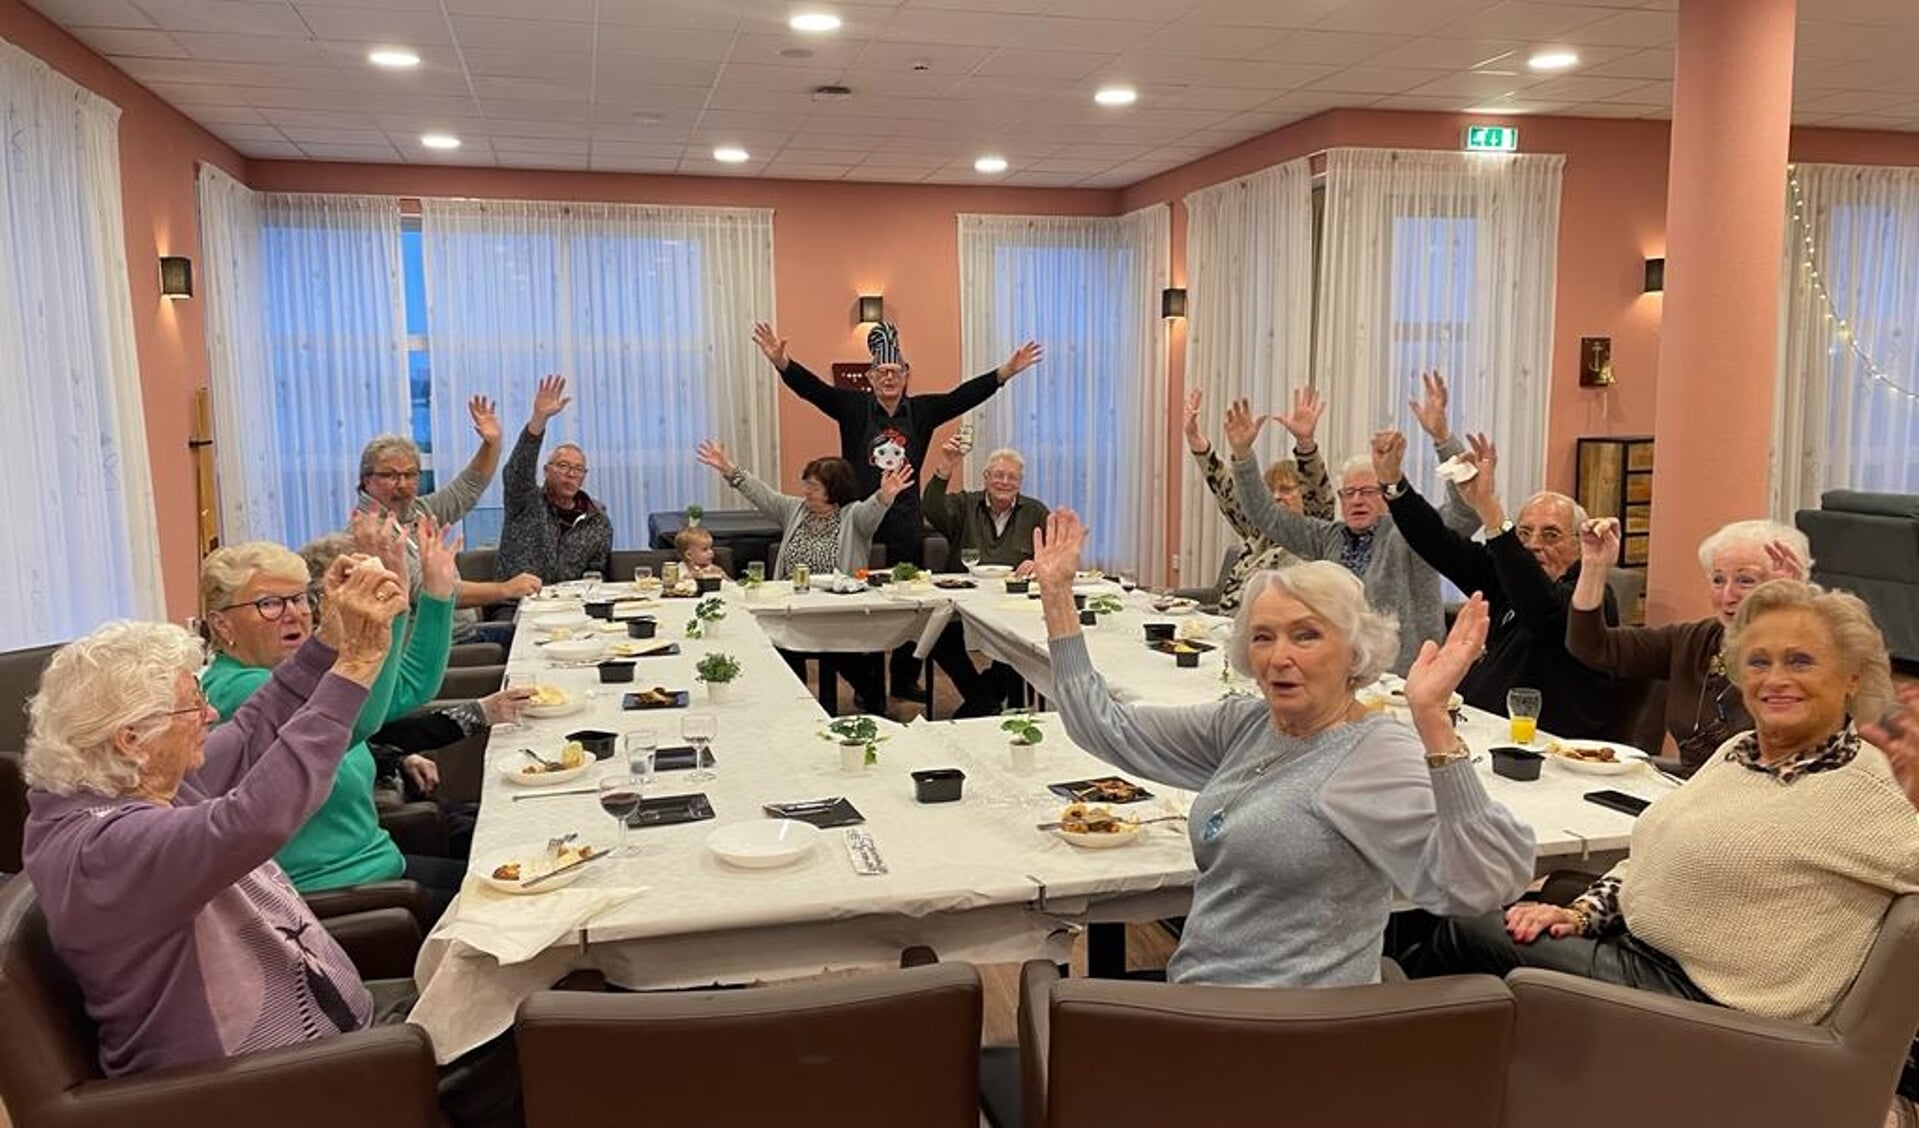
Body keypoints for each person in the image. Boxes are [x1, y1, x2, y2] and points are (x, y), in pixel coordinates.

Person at [20, 567, 526, 1127]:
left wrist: (329, 640)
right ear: (130, 738)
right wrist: (353, 669)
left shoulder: (121, 786)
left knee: (524, 988)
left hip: (328, 1039)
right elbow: (255, 818)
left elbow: (255, 730)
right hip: (263, 1086)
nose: (210, 713)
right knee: (537, 1042)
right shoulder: (105, 850)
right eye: (193, 708)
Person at [1397, 582, 1917, 1056]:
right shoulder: (1743, 752)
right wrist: (1580, 914)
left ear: (1852, 676)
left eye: (1801, 661)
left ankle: (1380, 1058)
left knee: (1465, 930)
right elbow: (1654, 852)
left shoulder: (1863, 792)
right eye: (1758, 663)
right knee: (1484, 915)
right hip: (1641, 956)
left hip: (1713, 1014)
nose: (1775, 680)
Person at [1033, 509, 1534, 986]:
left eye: (1306, 635)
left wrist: (1433, 724)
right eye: (1263, 637)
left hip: (1293, 1032)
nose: (1280, 657)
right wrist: (1057, 596)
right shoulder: (1247, 724)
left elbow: (1485, 883)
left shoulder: (1372, 752)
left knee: (1059, 1016)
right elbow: (1104, 726)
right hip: (1203, 1004)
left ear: (1354, 651)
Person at [752, 319, 1042, 700]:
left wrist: (1005, 372)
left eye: (896, 371)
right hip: (858, 520)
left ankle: (904, 678)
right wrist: (782, 362)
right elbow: (813, 391)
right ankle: (865, 681)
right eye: (882, 372)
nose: (889, 377)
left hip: (905, 519)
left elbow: (962, 397)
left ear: (906, 375)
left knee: (908, 601)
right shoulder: (852, 406)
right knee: (861, 601)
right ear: (869, 377)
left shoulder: (922, 411)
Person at [198, 516, 465, 916]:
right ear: (222, 624)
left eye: (301, 598)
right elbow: (356, 721)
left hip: (380, 866)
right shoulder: (234, 692)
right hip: (335, 896)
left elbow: (406, 686)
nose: (295, 614)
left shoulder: (295, 672)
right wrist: (378, 619)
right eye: (269, 604)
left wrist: (437, 595)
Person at [1377, 428, 1642, 740]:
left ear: (1579, 545)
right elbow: (1440, 545)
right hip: (1478, 730)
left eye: (1551, 535)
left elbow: (1541, 607)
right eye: (1524, 533)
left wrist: (1490, 512)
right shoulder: (1507, 580)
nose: (1533, 545)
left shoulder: (1591, 597)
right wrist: (1393, 483)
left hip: (1549, 751)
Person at [1223, 372, 1476, 673]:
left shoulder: (1411, 534)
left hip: (1403, 678)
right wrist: (1242, 455)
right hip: (1337, 673)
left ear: (1386, 494)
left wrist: (1443, 438)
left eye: (1369, 492)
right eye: (1350, 493)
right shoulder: (1328, 536)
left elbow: (1467, 510)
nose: (1357, 500)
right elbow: (1266, 515)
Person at [1567, 516, 1809, 770]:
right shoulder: (1693, 640)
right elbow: (1591, 645)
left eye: (1745, 580)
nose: (1727, 595)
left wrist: (1789, 610)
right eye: (1718, 580)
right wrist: (1594, 567)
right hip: (1685, 789)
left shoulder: (1803, 661)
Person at [694, 439, 910, 715]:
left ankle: (871, 701)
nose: (806, 490)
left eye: (814, 486)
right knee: (779, 646)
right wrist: (728, 469)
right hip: (792, 610)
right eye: (806, 483)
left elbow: (874, 508)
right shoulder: (794, 509)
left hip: (837, 613)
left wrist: (885, 496)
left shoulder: (853, 516)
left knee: (844, 652)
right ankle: (794, 707)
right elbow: (762, 494)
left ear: (833, 491)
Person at [356, 394, 539, 642]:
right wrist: (505, 589)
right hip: (439, 649)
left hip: (462, 634)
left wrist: (491, 443)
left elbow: (468, 488)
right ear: (367, 480)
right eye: (390, 475)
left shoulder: (416, 510)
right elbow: (428, 591)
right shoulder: (371, 534)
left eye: (410, 475)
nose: (402, 484)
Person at [922, 437, 1050, 716]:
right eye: (998, 475)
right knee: (938, 637)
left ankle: (988, 701)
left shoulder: (1035, 511)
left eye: (1012, 477)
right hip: (963, 599)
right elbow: (931, 509)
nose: (1004, 481)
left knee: (1018, 640)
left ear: (1020, 481)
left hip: (1013, 602)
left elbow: (1052, 553)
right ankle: (983, 698)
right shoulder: (964, 504)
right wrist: (946, 465)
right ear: (986, 477)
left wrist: (1039, 562)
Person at [1183, 386, 1334, 612]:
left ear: (1304, 493)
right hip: (1227, 629)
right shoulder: (1259, 531)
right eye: (1270, 490)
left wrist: (1305, 445)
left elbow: (1318, 493)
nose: (1276, 496)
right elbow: (1227, 489)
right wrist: (1196, 440)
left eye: (1286, 489)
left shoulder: (1314, 537)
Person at [496, 374, 612, 588]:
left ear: (583, 477)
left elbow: (596, 572)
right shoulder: (525, 502)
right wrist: (538, 420)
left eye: (578, 469)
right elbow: (517, 471)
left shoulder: (598, 521)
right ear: (546, 471)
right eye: (563, 466)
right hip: (516, 601)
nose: (570, 474)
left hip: (571, 604)